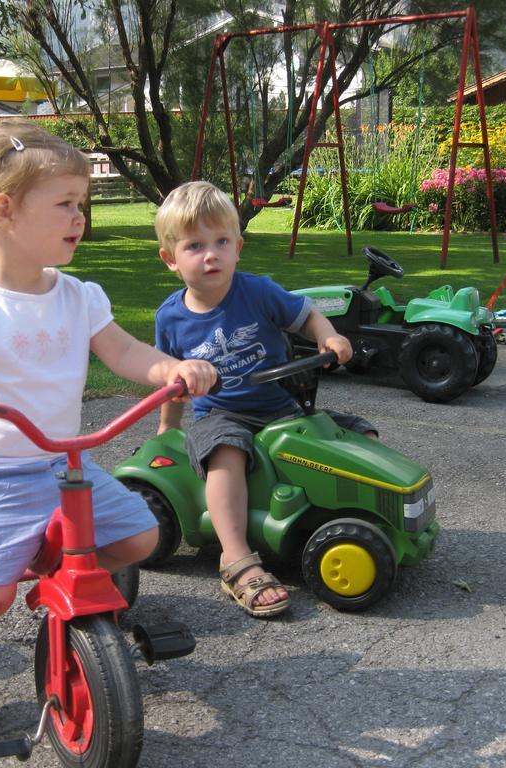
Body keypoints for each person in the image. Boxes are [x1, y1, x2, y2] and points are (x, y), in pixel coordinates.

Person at [0, 121, 217, 738]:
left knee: (141, 538)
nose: (79, 218)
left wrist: (170, 367)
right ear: (4, 211)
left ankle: (54, 567)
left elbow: (123, 352)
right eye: (65, 204)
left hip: (61, 467)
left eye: (81, 204)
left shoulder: (78, 296)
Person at [153, 181, 378, 619]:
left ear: (238, 246)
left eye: (221, 241)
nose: (211, 254)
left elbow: (308, 314)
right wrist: (167, 427)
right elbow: (170, 379)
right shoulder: (170, 318)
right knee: (226, 454)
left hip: (283, 406)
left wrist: (328, 335)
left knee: (357, 431)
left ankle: (361, 514)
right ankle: (236, 557)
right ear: (171, 259)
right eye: (195, 245)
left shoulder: (258, 292)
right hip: (221, 414)